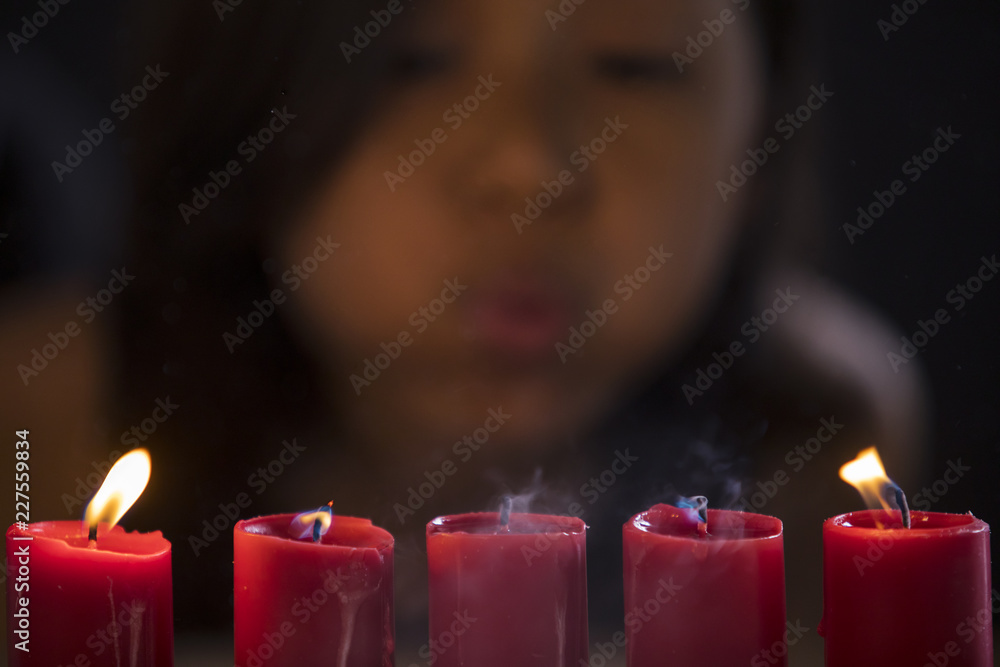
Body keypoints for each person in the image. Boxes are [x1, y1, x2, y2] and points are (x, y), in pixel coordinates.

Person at [2, 0, 929, 663]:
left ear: (758, 147)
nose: (530, 166)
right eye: (411, 60)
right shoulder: (48, 411)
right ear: (247, 115)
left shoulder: (807, 428)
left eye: (636, 63)